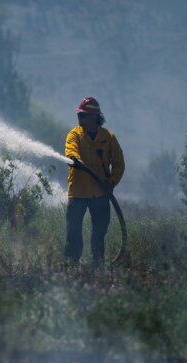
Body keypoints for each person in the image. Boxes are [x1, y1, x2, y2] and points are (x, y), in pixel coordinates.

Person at [64, 97, 125, 265]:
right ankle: (71, 264)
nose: (80, 118)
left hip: (101, 193)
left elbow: (119, 164)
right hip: (78, 192)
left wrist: (111, 183)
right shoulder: (75, 135)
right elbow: (71, 150)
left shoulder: (108, 137)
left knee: (99, 232)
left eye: (84, 115)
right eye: (80, 115)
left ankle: (97, 265)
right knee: (73, 230)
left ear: (94, 117)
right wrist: (76, 159)